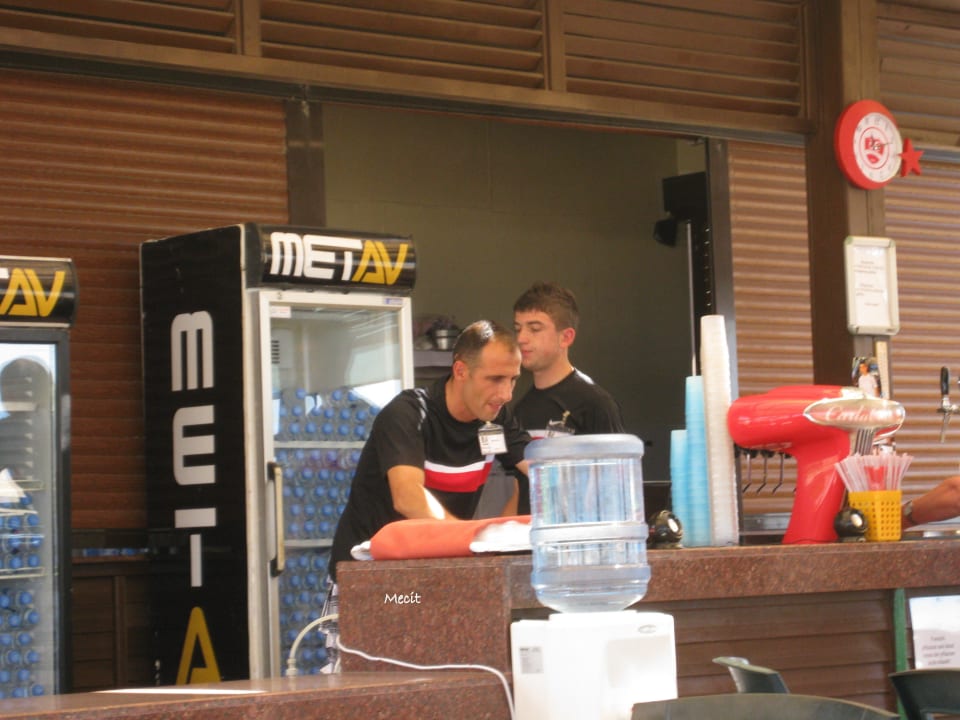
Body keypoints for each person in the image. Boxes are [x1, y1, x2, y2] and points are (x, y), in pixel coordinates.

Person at [328, 319, 530, 581]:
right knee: (397, 606)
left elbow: (541, 469)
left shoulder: (498, 418)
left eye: (513, 380)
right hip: (367, 575)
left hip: (432, 571)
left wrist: (504, 544)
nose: (506, 394)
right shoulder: (408, 412)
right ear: (460, 370)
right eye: (495, 379)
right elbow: (408, 496)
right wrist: (472, 542)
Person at [511, 281, 624, 512]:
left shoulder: (595, 403)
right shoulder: (520, 408)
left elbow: (614, 486)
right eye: (518, 328)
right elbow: (520, 489)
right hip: (530, 532)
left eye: (534, 329)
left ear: (566, 337)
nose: (521, 338)